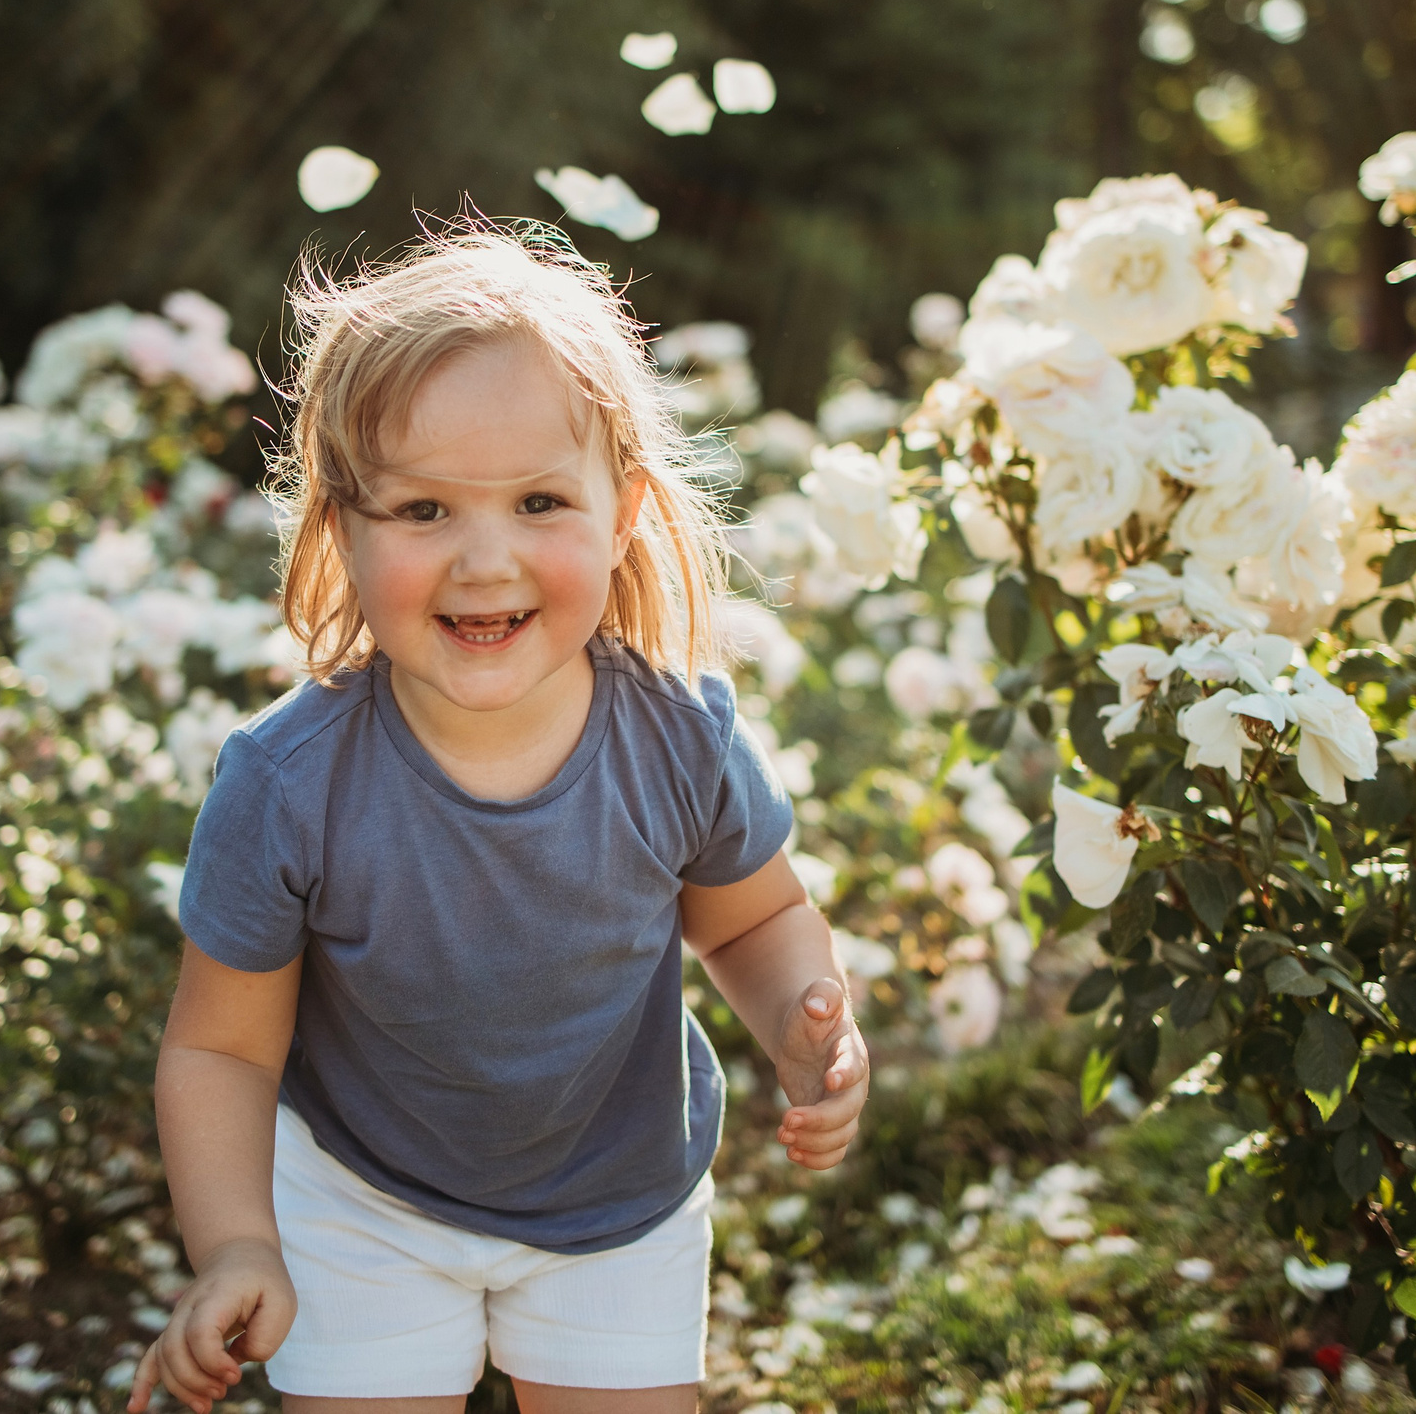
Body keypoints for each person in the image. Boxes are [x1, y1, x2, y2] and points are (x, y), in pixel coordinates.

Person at [128, 227, 870, 1413]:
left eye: (537, 502)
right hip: (364, 1201)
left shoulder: (676, 738)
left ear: (621, 510)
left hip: (617, 1196)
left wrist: (798, 1021)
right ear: (341, 529)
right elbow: (221, 1047)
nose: (485, 561)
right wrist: (237, 1245)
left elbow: (750, 920)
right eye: (422, 509)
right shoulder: (288, 783)